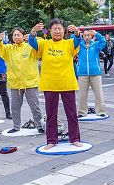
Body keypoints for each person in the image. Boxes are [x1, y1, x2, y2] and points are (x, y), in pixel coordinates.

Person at [29, 19, 83, 150]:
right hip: (50, 84)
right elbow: (33, 43)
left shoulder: (69, 43)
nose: (57, 31)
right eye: (55, 29)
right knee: (51, 114)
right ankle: (51, 140)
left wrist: (76, 32)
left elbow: (77, 41)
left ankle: (74, 138)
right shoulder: (44, 43)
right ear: (50, 31)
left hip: (67, 83)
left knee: (71, 113)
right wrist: (33, 32)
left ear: (64, 31)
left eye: (59, 28)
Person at [0, 28, 43, 134]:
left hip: (30, 82)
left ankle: (40, 125)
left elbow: (40, 44)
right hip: (15, 83)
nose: (16, 37)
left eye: (18, 35)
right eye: (14, 35)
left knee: (35, 106)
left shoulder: (30, 47)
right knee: (15, 107)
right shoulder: (9, 49)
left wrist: (32, 37)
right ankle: (16, 126)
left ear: (23, 36)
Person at [73, 29, 107, 118]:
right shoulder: (79, 45)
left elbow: (103, 41)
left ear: (91, 36)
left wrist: (96, 33)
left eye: (89, 35)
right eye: (85, 35)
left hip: (95, 73)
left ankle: (101, 111)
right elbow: (73, 39)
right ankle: (81, 112)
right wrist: (77, 32)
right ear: (82, 36)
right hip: (82, 73)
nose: (87, 37)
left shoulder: (95, 45)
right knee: (82, 94)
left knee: (99, 93)